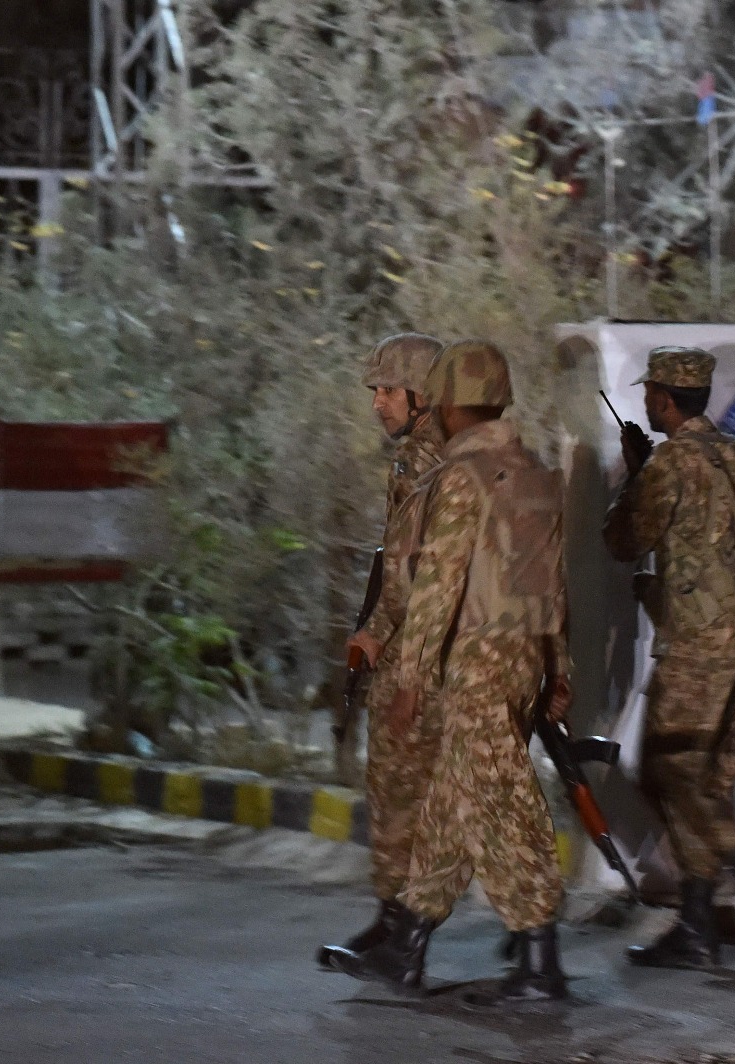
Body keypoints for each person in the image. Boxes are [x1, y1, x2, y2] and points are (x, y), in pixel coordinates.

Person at [341, 339, 572, 1004]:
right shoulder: (531, 469)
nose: (380, 401)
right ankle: (406, 944)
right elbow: (553, 584)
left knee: (505, 807)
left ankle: (539, 962)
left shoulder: (461, 476)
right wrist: (558, 667)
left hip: (472, 662)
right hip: (520, 656)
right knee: (451, 804)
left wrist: (410, 679)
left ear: (439, 400)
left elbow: (438, 583)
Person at [602, 346, 735, 970]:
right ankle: (699, 925)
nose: (646, 402)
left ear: (663, 399)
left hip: (701, 643)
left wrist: (635, 473)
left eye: (650, 393)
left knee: (668, 772)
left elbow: (624, 540)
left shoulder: (671, 464)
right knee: (703, 779)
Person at [318, 333, 445, 975]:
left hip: (422, 651)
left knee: (406, 791)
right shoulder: (424, 456)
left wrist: (380, 633)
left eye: (389, 390)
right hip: (417, 643)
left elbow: (414, 573)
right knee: (401, 789)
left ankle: (408, 934)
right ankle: (394, 919)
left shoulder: (429, 460)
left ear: (424, 392)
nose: (378, 403)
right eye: (375, 391)